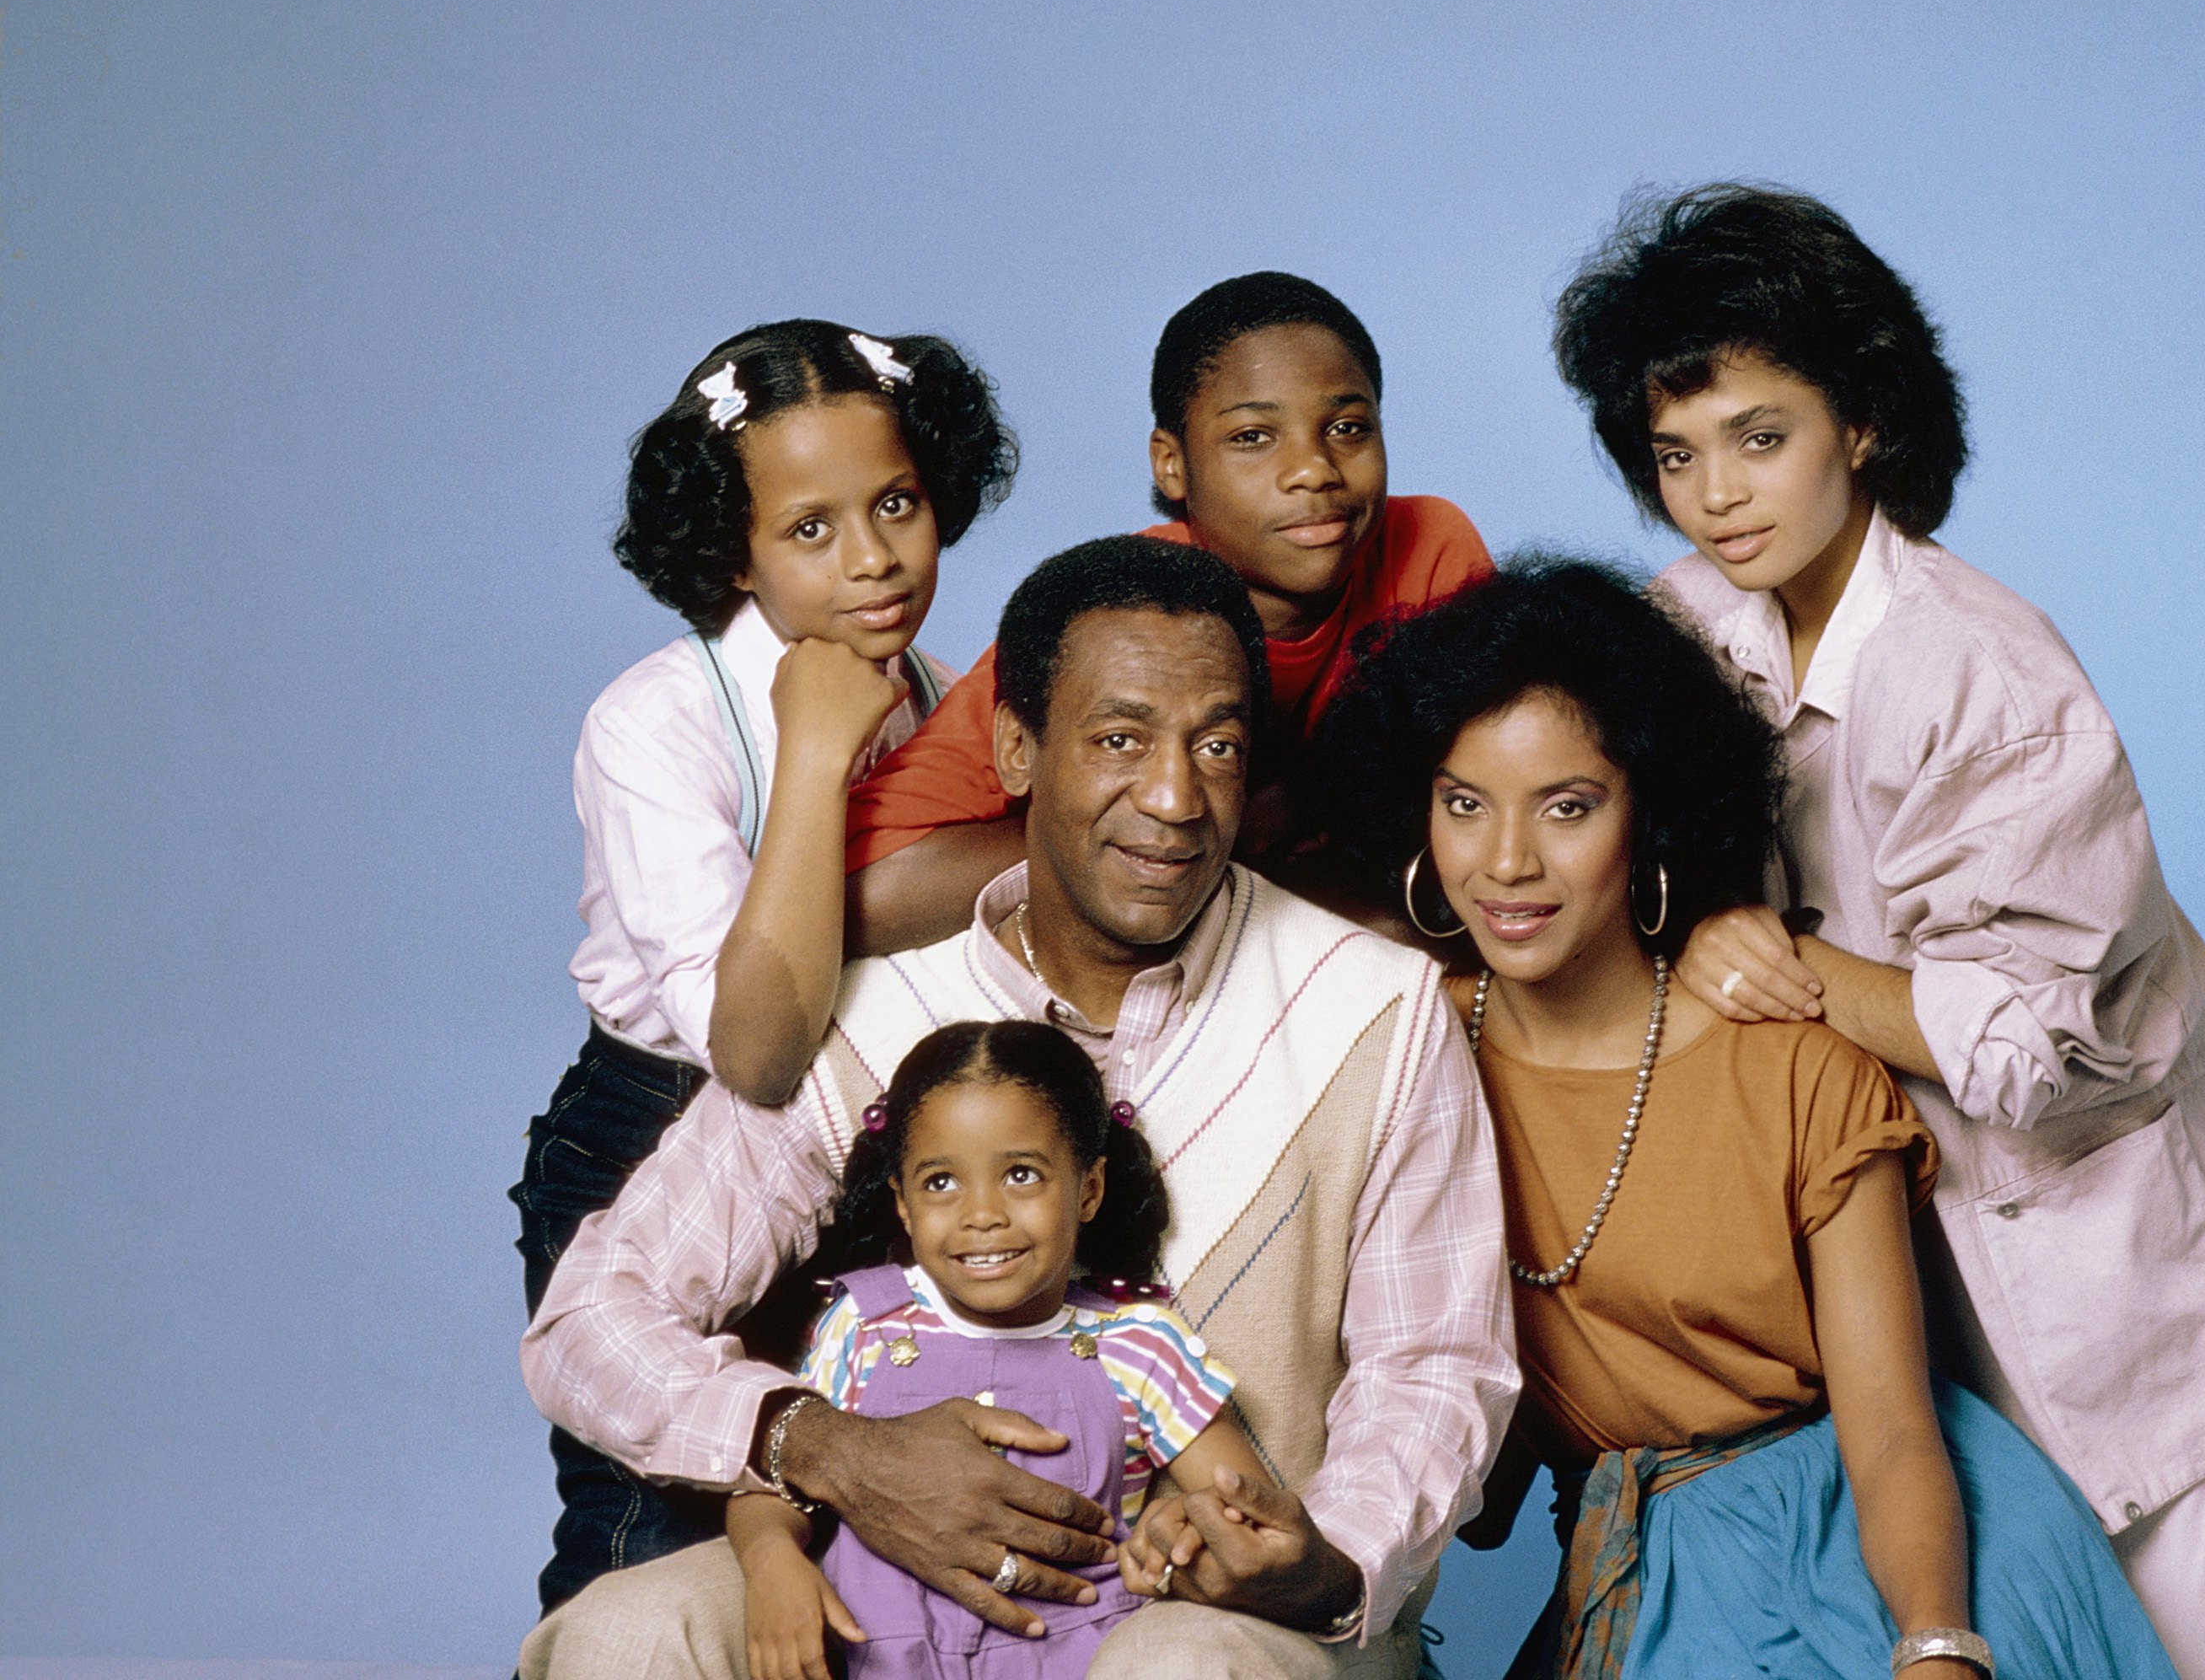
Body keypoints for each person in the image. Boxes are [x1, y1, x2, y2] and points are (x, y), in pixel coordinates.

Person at [1551, 184, 2205, 1680]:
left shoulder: (1979, 673)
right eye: (1677, 455)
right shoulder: (1691, 623)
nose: (1717, 494)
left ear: (1861, 424)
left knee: (2177, 1666)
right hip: (1892, 1275)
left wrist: (1774, 961)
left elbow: (2020, 1044)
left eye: (1762, 436)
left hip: (2097, 1264)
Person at [517, 535, 1518, 1680]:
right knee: (628, 1635)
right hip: (889, 1590)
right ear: (1016, 748)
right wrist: (828, 1448)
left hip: (1219, 1616)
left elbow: (1436, 1366)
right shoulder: (872, 1016)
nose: (1175, 798)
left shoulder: (1374, 1013)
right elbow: (592, 1320)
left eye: (1220, 746)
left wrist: (1325, 1561)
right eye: (1120, 739)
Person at [1310, 556, 2180, 1679]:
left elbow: (1893, 1428)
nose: (1507, 862)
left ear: (1650, 815)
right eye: (1464, 804)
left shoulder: (1798, 1075)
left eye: (1567, 807)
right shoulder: (1401, 1049)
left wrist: (1935, 1643)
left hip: (1881, 1541)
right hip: (1640, 1550)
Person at [510, 319, 1017, 1613]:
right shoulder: (654, 723)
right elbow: (754, 1048)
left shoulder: (939, 690)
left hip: (840, 1144)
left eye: (896, 502)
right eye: (810, 529)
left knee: (828, 1536)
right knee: (650, 1532)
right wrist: (811, 744)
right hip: (655, 1127)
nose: (873, 559)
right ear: (729, 546)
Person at [840, 272, 1492, 955]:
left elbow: (1474, 856)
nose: (1314, 469)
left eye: (1348, 428)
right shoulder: (1114, 611)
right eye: (1253, 437)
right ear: (1173, 465)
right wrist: (1189, 838)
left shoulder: (1429, 547)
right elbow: (873, 891)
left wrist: (1282, 815)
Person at [727, 1017, 1262, 1680]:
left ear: (1088, 1189)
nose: (982, 1214)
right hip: (873, 1661)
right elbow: (779, 1481)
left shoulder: (1141, 1346)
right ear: (902, 1203)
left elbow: (1249, 1517)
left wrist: (1183, 1526)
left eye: (1020, 1174)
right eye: (941, 1183)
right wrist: (771, 1558)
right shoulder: (863, 1327)